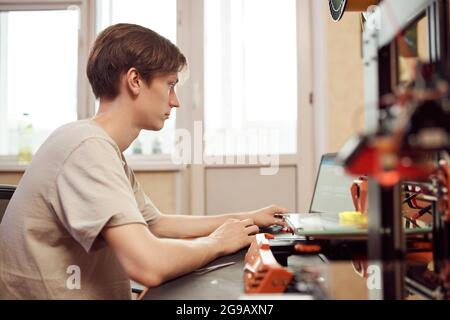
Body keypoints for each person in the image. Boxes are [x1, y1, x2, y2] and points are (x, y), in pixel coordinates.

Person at [0, 23, 287, 299]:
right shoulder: (87, 148)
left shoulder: (96, 144)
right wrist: (216, 243)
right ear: (135, 80)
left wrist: (247, 218)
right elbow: (148, 265)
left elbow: (155, 224)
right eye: (170, 85)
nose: (176, 101)